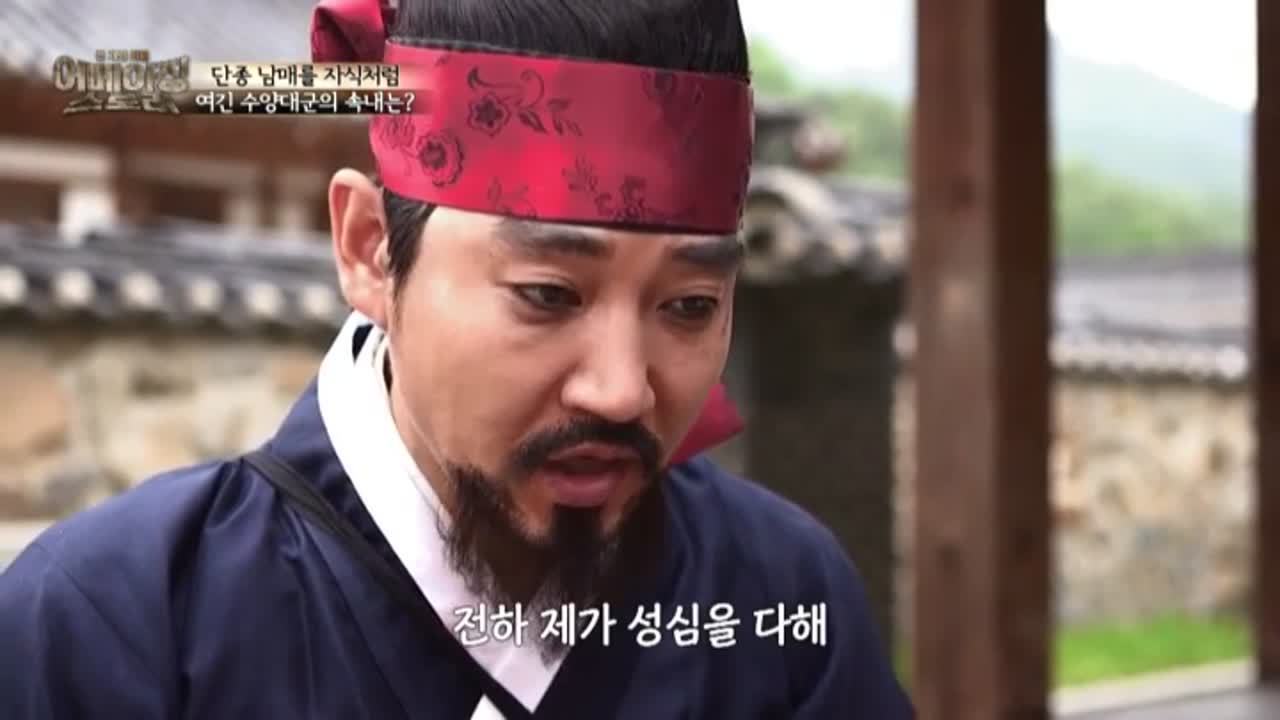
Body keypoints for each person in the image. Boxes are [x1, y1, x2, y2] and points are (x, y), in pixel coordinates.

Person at [0, 0, 913, 717]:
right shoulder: (115, 621)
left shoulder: (779, 594)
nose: (621, 390)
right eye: (548, 293)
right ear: (369, 249)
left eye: (689, 305)